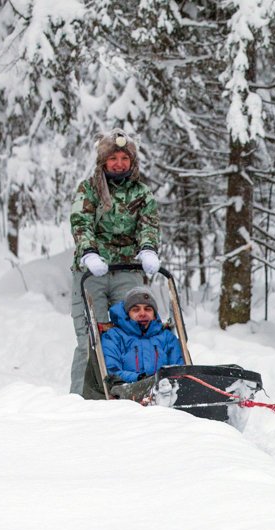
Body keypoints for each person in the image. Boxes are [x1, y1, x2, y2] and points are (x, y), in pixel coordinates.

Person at [69, 128, 161, 398]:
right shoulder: (89, 189)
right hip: (91, 272)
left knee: (132, 334)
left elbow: (149, 224)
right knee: (91, 341)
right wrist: (89, 252)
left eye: (124, 158)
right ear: (103, 161)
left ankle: (129, 392)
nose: (119, 163)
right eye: (113, 158)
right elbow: (80, 222)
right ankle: (82, 399)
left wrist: (147, 249)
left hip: (127, 269)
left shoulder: (142, 192)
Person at [101, 287, 184, 401]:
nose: (142, 313)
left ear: (154, 314)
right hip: (128, 395)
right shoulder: (113, 336)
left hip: (166, 394)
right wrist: (141, 379)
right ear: (127, 313)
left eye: (148, 309)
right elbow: (112, 372)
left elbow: (180, 369)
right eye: (136, 309)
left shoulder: (167, 337)